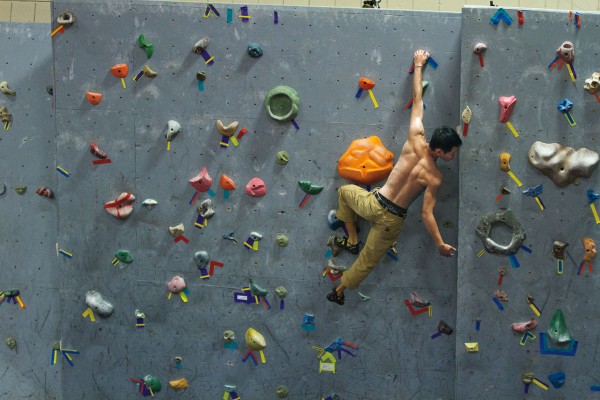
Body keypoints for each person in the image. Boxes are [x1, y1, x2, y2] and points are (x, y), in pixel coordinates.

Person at [326, 49, 462, 305]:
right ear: (441, 151)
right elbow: (426, 214)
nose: (454, 156)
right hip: (392, 220)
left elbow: (418, 100)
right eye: (452, 153)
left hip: (374, 203)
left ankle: (352, 238)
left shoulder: (415, 137)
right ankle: (340, 290)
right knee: (368, 261)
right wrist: (440, 243)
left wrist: (418, 64)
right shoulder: (434, 177)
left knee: (344, 192)